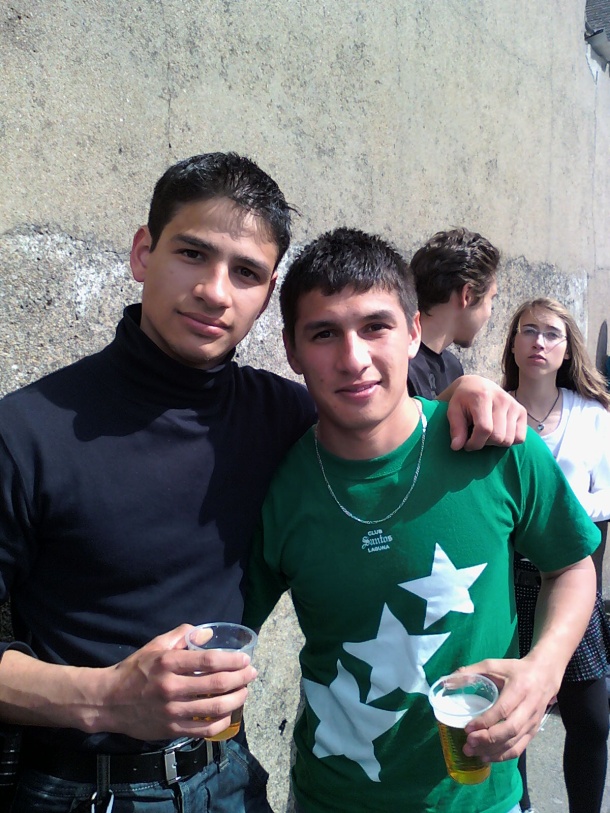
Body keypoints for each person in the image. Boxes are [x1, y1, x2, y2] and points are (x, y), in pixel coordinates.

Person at [0, 152, 527, 813]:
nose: (215, 291)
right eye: (192, 254)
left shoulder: (282, 413)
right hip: (83, 787)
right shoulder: (25, 431)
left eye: (245, 272)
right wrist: (106, 694)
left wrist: (463, 388)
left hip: (229, 780)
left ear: (267, 291)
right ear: (142, 253)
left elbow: (383, 414)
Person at [243, 228, 599, 813]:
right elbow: (225, 630)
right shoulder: (278, 489)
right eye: (325, 333)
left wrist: (545, 667)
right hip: (331, 798)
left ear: (413, 331)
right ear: (291, 349)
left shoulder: (497, 448)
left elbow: (572, 564)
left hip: (484, 799)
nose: (353, 358)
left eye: (375, 327)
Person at [501, 297, 610, 813]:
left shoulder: (593, 416)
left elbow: (601, 517)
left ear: (567, 349)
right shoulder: (494, 408)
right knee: (511, 715)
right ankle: (517, 806)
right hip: (505, 582)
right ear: (514, 343)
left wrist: (591, 594)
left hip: (569, 580)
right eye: (528, 331)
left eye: (551, 334)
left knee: (592, 718)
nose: (539, 342)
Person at [408, 227, 499, 398]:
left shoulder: (453, 367)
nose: (489, 313)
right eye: (491, 298)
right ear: (468, 295)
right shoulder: (398, 364)